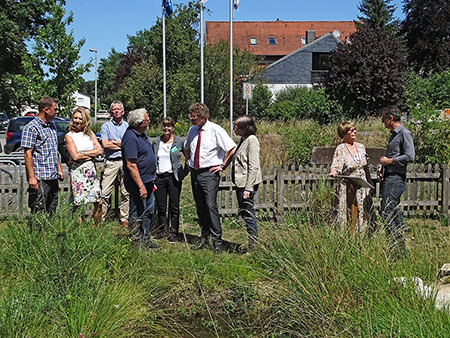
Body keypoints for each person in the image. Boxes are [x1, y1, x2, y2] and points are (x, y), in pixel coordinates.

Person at [184, 103, 236, 252]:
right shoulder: (192, 130)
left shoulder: (216, 130)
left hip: (209, 174)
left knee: (210, 205)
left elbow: (232, 148)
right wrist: (188, 161)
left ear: (203, 117)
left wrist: (223, 166)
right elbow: (186, 147)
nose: (191, 119)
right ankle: (204, 237)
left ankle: (217, 240)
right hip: (195, 172)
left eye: (193, 117)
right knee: (200, 205)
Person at [21, 96, 64, 232]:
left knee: (52, 210)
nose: (57, 112)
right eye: (55, 109)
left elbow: (54, 149)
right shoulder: (31, 128)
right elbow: (28, 154)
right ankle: (36, 241)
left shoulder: (52, 125)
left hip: (52, 176)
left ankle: (49, 240)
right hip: (40, 178)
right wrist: (32, 177)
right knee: (38, 211)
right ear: (46, 109)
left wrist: (59, 169)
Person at [378, 105, 415, 258]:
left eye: (383, 120)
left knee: (386, 211)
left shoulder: (404, 133)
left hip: (396, 179)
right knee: (391, 211)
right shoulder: (393, 135)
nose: (383, 123)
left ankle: (396, 250)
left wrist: (389, 161)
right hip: (390, 176)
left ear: (390, 118)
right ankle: (399, 248)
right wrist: (383, 168)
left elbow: (410, 156)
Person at [122, 108, 159, 250]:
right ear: (138, 123)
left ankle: (146, 237)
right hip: (138, 183)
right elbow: (131, 165)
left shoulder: (142, 135)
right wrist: (140, 186)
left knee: (148, 210)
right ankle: (136, 240)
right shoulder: (131, 137)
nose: (148, 121)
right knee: (137, 211)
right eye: (146, 120)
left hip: (148, 180)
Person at [329, 121, 374, 233]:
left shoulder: (361, 147)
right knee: (348, 212)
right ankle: (347, 235)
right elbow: (336, 165)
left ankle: (363, 235)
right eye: (351, 130)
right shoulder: (341, 149)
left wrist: (370, 184)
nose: (354, 131)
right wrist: (334, 171)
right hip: (348, 186)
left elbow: (365, 166)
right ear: (344, 133)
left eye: (355, 129)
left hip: (362, 185)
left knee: (363, 211)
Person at [151, 117, 188, 242]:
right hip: (159, 177)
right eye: (164, 126)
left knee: (174, 206)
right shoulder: (156, 142)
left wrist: (183, 173)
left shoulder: (179, 142)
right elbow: (152, 159)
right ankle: (162, 229)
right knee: (161, 206)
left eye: (169, 126)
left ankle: (174, 232)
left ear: (173, 127)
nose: (166, 128)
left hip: (173, 178)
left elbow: (188, 158)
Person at [65, 106, 103, 225]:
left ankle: (95, 228)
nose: (77, 121)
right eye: (75, 118)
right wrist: (91, 154)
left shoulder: (90, 134)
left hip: (90, 170)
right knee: (78, 204)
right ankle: (79, 230)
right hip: (78, 170)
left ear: (85, 120)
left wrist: (84, 153)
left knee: (98, 201)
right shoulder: (69, 136)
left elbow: (99, 150)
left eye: (80, 119)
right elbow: (75, 156)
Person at [228, 116, 262, 249]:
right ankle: (252, 243)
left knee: (248, 214)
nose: (234, 129)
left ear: (245, 128)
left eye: (236, 126)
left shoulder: (252, 140)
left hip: (247, 184)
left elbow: (254, 167)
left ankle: (253, 245)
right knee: (245, 212)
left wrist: (248, 189)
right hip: (240, 183)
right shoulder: (243, 140)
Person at [100, 100, 130, 227]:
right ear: (111, 111)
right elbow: (105, 144)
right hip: (111, 162)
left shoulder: (128, 126)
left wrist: (115, 143)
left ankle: (124, 218)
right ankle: (101, 218)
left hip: (125, 161)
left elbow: (129, 144)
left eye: (118, 109)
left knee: (126, 192)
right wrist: (122, 144)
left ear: (122, 111)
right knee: (104, 192)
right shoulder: (106, 126)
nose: (116, 111)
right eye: (113, 109)